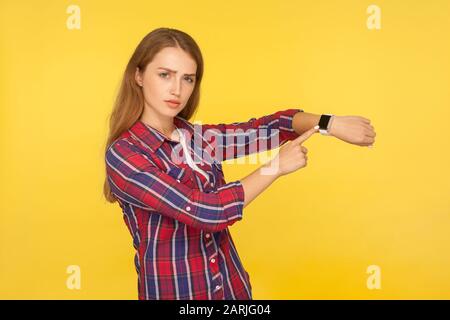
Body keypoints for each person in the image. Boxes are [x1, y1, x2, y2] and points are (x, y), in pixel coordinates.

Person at [103, 27, 376, 300]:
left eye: (188, 79)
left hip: (232, 292)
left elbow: (270, 127)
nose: (177, 89)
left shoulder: (198, 139)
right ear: (138, 76)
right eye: (165, 75)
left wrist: (330, 123)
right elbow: (205, 212)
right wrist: (274, 167)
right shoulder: (124, 155)